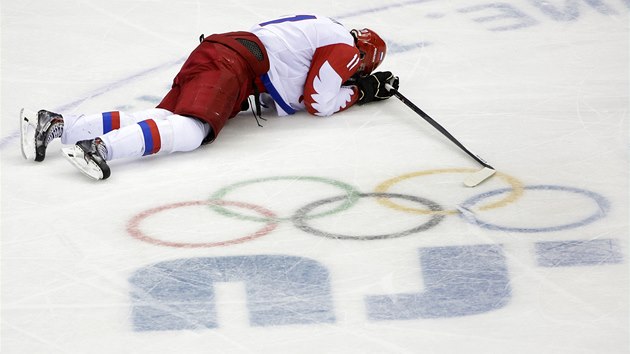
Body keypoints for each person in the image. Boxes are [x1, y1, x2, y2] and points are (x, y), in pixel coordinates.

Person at [20, 14, 399, 180]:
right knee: (194, 129)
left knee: (160, 116)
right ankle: (100, 148)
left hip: (222, 51)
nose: (354, 72)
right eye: (359, 69)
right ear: (365, 57)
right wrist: (361, 91)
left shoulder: (322, 29)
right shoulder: (347, 48)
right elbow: (318, 99)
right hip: (236, 64)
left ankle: (59, 125)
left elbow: (290, 88)